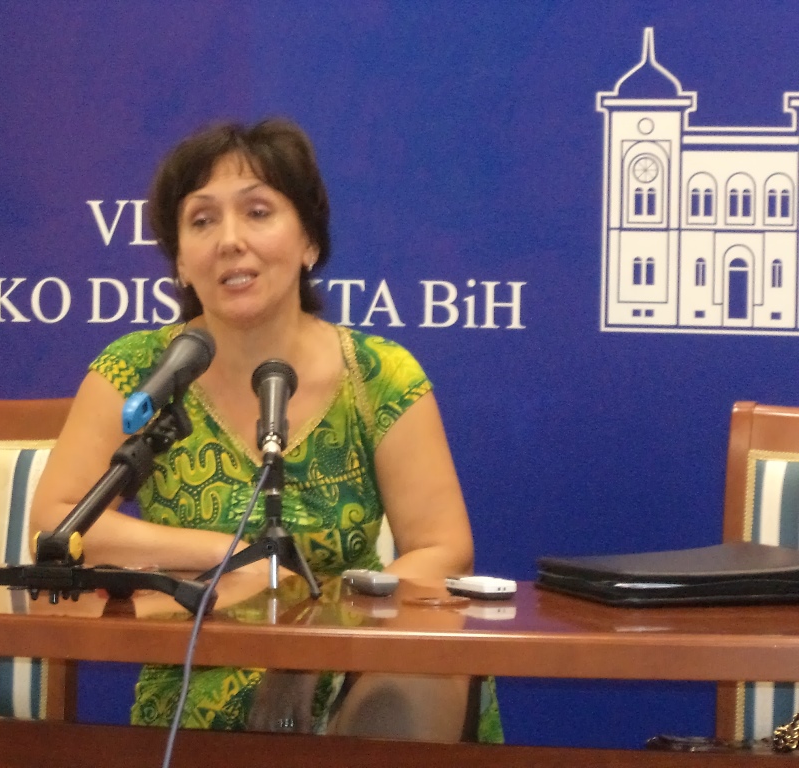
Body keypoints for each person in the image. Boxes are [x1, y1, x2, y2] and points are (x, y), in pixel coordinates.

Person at [30, 118, 502, 742]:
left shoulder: (379, 375)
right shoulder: (139, 371)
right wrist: (233, 558)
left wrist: (320, 620)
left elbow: (443, 547)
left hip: (354, 660)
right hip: (201, 672)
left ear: (309, 243)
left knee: (424, 673)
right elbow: (58, 521)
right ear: (180, 260)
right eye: (202, 220)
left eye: (258, 212)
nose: (231, 241)